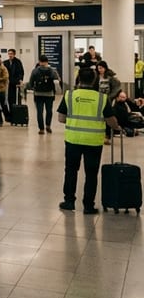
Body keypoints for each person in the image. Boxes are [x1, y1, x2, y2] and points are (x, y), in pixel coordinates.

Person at [57, 67, 118, 214]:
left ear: (79, 79)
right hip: (93, 142)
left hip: (73, 140)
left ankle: (69, 201)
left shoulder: (69, 95)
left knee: (71, 171)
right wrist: (117, 127)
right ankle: (88, 205)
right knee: (91, 173)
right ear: (94, 80)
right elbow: (111, 121)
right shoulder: (102, 98)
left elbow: (61, 118)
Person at [29, 56, 61, 134]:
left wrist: (33, 88)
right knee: (49, 110)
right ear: (47, 62)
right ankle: (48, 126)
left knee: (39, 112)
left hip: (38, 94)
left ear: (39, 61)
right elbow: (57, 81)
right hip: (49, 94)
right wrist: (57, 92)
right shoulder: (52, 71)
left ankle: (41, 129)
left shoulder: (35, 71)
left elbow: (31, 83)